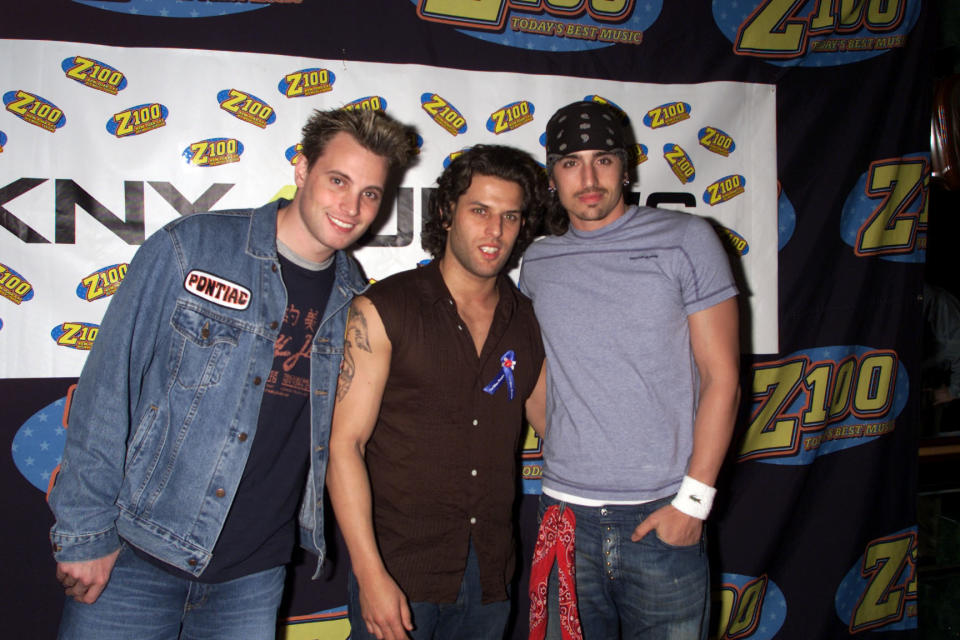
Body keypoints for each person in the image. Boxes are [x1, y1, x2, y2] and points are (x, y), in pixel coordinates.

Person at [48, 107, 416, 639]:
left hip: (254, 574)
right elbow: (107, 390)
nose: (351, 206)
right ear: (301, 169)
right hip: (140, 553)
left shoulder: (351, 296)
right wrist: (85, 532)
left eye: (370, 193)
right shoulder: (193, 247)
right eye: (338, 180)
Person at [519, 101, 741, 639]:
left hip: (662, 519)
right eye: (571, 163)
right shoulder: (539, 262)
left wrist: (693, 503)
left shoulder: (686, 239)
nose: (589, 178)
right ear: (553, 175)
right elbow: (533, 372)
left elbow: (723, 379)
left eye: (603, 160)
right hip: (564, 518)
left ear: (627, 166)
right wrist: (578, 441)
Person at [326, 144, 549, 640]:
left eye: (510, 216)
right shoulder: (384, 308)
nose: (495, 232)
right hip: (400, 573)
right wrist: (370, 575)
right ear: (448, 212)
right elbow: (343, 446)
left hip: (491, 576)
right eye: (480, 211)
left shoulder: (529, 321)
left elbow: (556, 428)